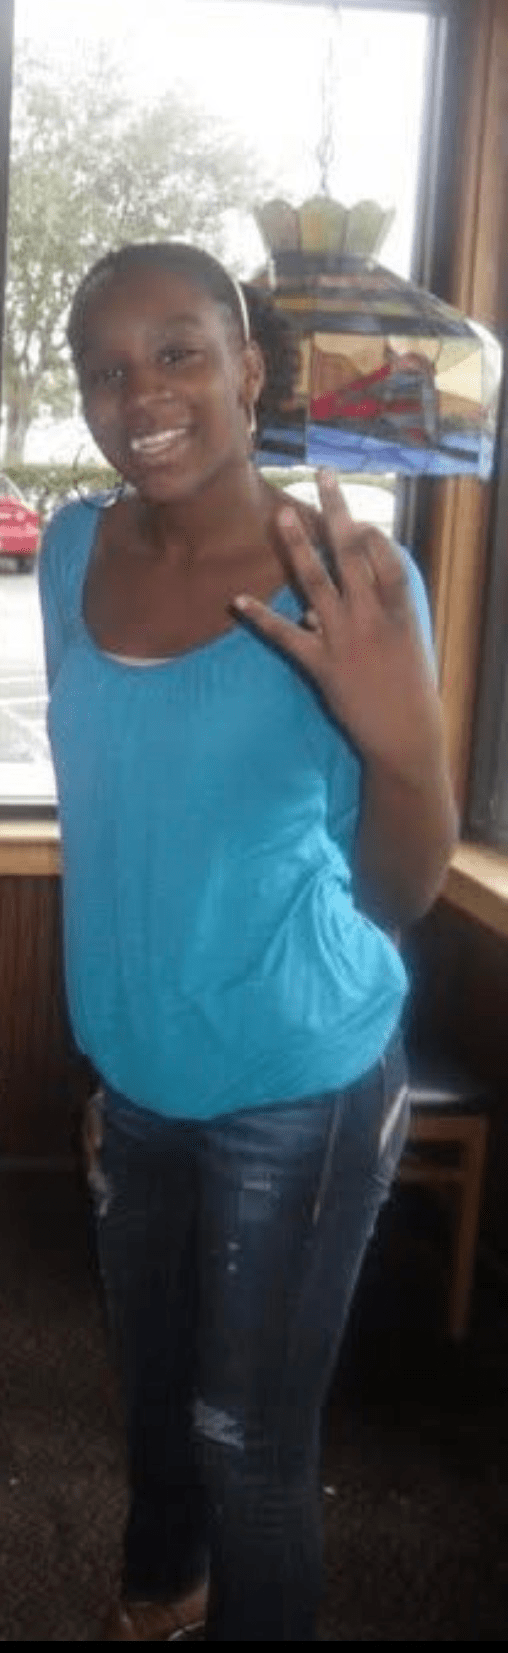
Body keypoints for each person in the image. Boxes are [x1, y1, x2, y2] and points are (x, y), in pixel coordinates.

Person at [38, 240, 457, 1643]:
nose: (141, 394)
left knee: (249, 1445)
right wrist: (116, 1070)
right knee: (152, 1393)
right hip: (141, 1079)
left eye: (178, 353)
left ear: (249, 370)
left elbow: (397, 890)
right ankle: (163, 1589)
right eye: (107, 369)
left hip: (298, 1079)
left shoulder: (346, 575)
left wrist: (402, 751)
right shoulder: (74, 552)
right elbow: (123, 834)